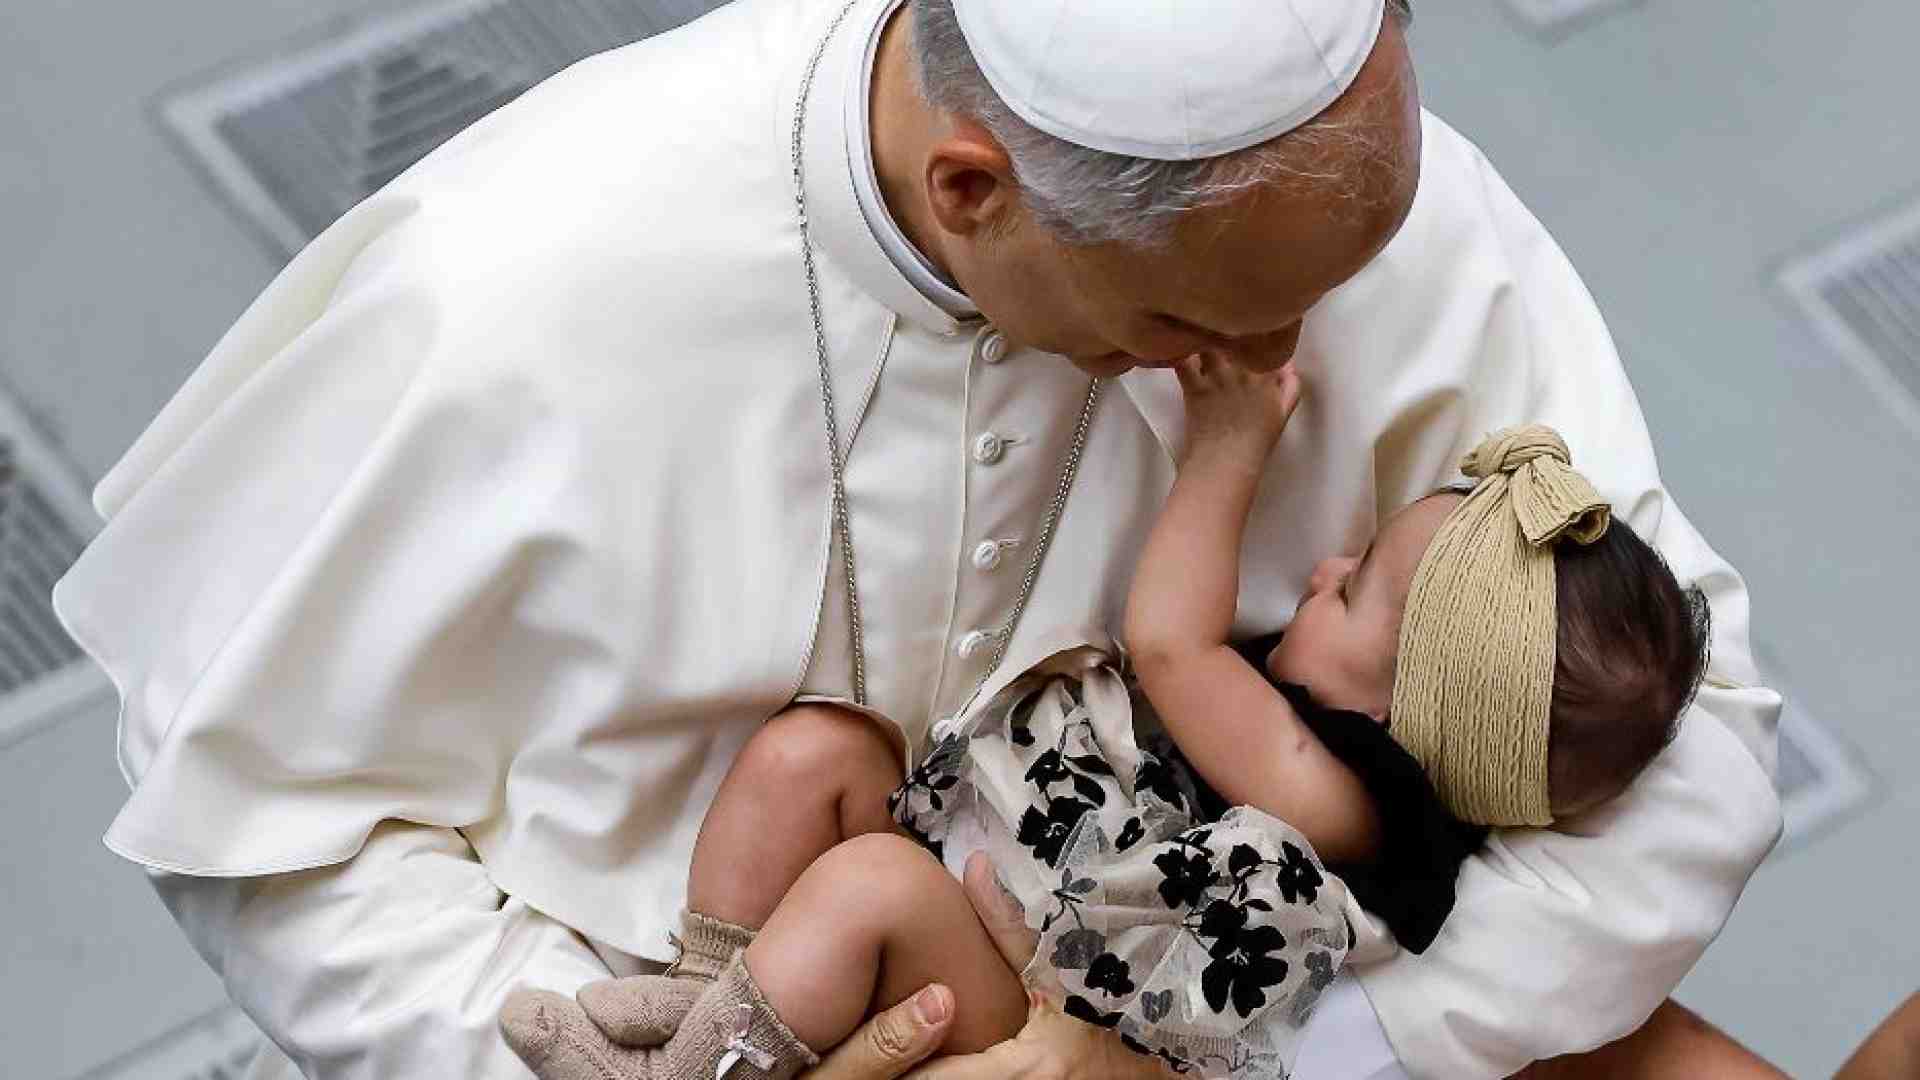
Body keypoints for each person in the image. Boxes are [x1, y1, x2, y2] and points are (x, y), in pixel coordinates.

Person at [51, 0, 1783, 1076]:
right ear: (973, 191)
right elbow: (270, 825)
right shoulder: (512, 285)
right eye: (1195, 333)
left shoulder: (1322, 191)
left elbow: (1686, 738)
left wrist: (1319, 1059)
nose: (1278, 362)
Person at [494, 354, 1711, 1080]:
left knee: (872, 884)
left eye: (1360, 592)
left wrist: (1230, 447)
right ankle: (703, 998)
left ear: (1408, 712)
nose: (1326, 568)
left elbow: (1168, 642)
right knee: (811, 753)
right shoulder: (1308, 719)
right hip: (975, 870)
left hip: (1020, 1011)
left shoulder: (1363, 808)